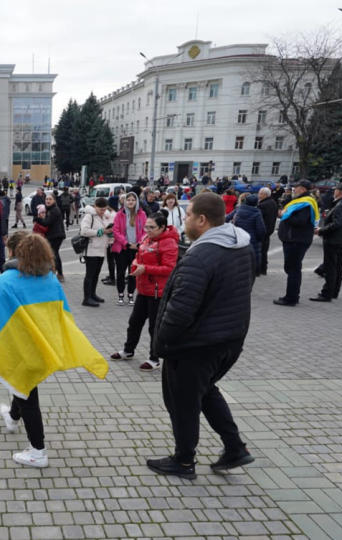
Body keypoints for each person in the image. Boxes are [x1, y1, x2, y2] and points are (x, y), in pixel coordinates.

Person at [147, 193, 255, 479]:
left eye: (189, 215)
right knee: (205, 391)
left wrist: (160, 345)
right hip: (228, 339)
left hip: (195, 345)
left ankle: (183, 461)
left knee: (182, 403)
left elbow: (179, 311)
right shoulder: (241, 245)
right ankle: (235, 447)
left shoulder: (201, 255)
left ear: (202, 220)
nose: (185, 220)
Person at [0, 232, 108, 468]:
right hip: (43, 345)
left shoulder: (7, 280)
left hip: (21, 347)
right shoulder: (50, 279)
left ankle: (37, 451)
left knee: (28, 394)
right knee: (25, 385)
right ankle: (12, 417)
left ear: (16, 252)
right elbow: (63, 314)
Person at [111, 213, 178, 371]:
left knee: (154, 326)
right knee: (134, 322)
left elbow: (170, 268)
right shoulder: (147, 239)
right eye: (146, 226)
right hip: (144, 288)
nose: (147, 230)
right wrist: (136, 264)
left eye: (151, 227)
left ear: (162, 227)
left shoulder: (169, 243)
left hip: (157, 291)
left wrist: (145, 268)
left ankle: (154, 358)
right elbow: (138, 256)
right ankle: (128, 350)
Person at [273, 181, 318, 306]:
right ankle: (292, 296)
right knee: (292, 268)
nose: (293, 189)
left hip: (296, 240)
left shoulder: (305, 203)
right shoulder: (302, 201)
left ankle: (291, 298)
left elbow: (300, 221)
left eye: (296, 187)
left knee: (293, 269)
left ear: (302, 189)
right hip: (294, 239)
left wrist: (283, 215)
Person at [311, 183, 342, 302]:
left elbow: (337, 224)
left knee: (331, 267)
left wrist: (321, 230)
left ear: (339, 192)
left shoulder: (341, 205)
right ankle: (334, 291)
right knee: (337, 266)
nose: (334, 192)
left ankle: (327, 293)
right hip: (341, 239)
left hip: (333, 240)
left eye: (335, 190)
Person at [111, 191, 147, 306]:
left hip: (136, 248)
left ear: (136, 201)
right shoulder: (119, 214)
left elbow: (145, 231)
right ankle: (120, 294)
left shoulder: (142, 214)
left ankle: (131, 294)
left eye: (133, 200)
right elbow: (115, 231)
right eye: (128, 200)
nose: (130, 202)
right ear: (125, 201)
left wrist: (138, 243)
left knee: (133, 273)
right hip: (122, 248)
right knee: (120, 273)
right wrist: (126, 243)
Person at [79, 197, 113, 307]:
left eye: (104, 209)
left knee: (96, 275)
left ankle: (93, 294)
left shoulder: (105, 216)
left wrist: (109, 232)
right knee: (90, 275)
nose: (102, 211)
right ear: (95, 206)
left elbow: (106, 230)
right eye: (100, 209)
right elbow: (84, 231)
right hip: (91, 250)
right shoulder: (89, 216)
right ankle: (86, 298)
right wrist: (101, 231)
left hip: (101, 249)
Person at [227, 195, 266, 272]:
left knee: (239, 258)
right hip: (252, 240)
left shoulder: (238, 209)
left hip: (238, 237)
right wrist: (259, 239)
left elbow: (226, 218)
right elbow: (261, 229)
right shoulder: (257, 213)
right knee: (252, 261)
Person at [34, 192, 66, 280]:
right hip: (54, 235)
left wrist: (37, 219)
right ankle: (56, 273)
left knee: (53, 254)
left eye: (50, 199)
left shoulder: (54, 210)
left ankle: (58, 274)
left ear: (54, 200)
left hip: (56, 235)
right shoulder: (50, 209)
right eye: (47, 199)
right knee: (53, 254)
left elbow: (46, 223)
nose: (48, 201)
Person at [257, 188, 278, 276]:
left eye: (260, 193)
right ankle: (263, 269)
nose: (258, 195)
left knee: (260, 251)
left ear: (265, 195)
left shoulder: (263, 205)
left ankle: (259, 270)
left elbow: (259, 219)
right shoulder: (273, 202)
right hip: (269, 229)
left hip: (263, 230)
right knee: (264, 251)